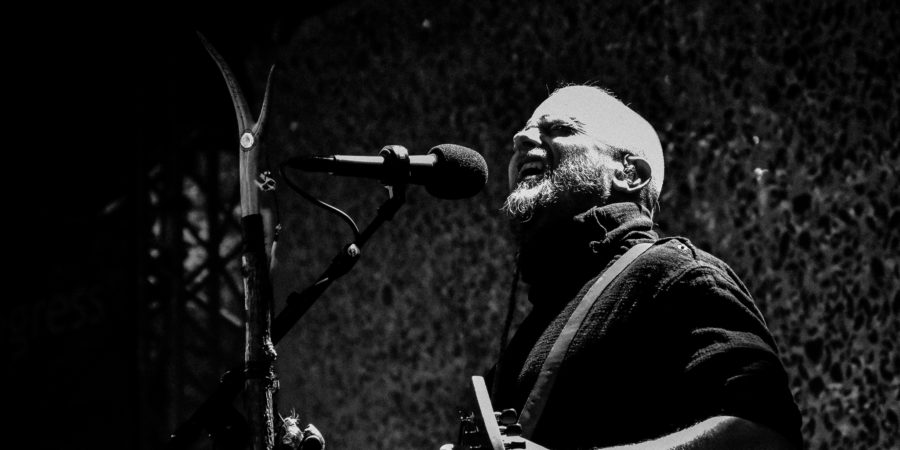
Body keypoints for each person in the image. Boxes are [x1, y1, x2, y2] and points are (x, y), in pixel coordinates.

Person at [485, 85, 802, 449]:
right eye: (523, 133)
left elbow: (764, 434)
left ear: (630, 173)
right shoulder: (542, 316)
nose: (521, 139)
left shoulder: (675, 274)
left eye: (560, 129)